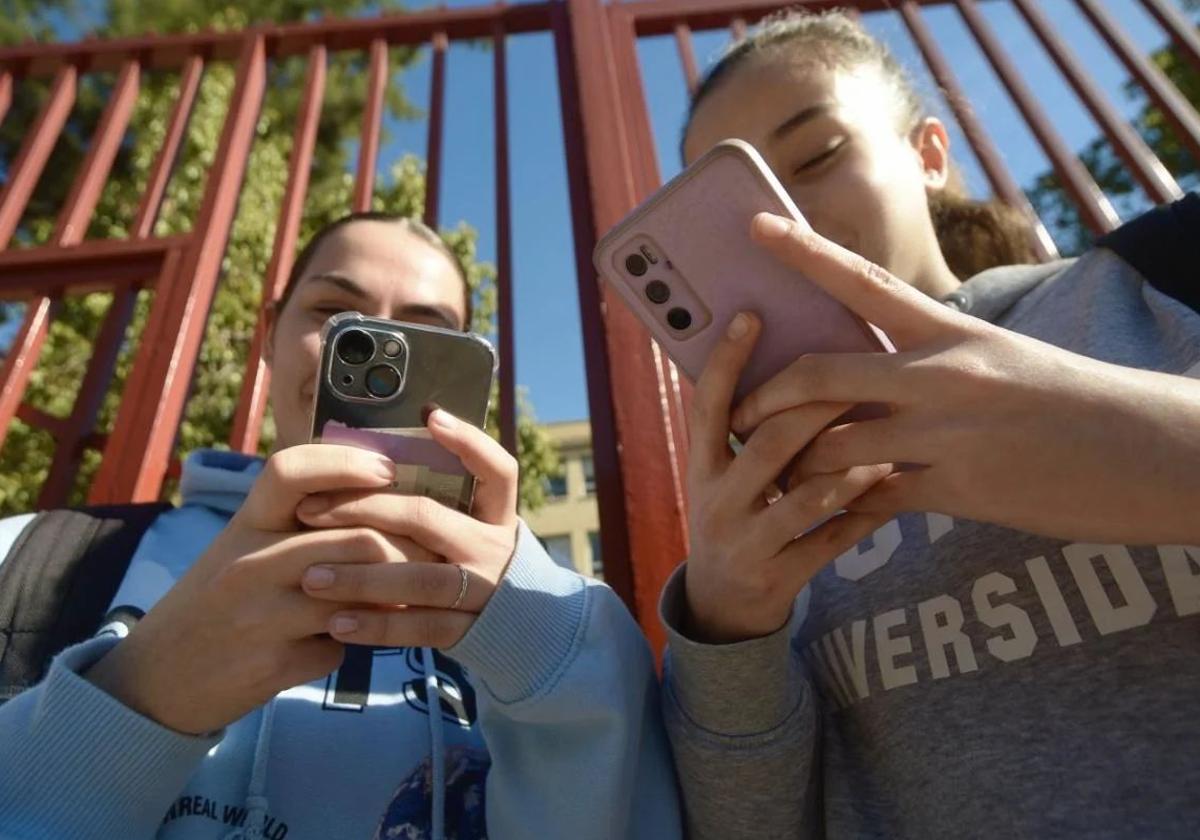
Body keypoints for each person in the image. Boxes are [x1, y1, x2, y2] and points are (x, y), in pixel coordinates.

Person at [660, 10, 1200, 839]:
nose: (776, 220)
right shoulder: (766, 488)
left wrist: (1141, 441)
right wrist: (728, 634)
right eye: (728, 204)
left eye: (815, 157)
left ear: (929, 155)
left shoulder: (1155, 282)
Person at [0, 211, 681, 840]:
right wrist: (137, 694)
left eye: (425, 329)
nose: (376, 351)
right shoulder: (32, 557)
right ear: (269, 334)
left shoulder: (553, 617)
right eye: (332, 310)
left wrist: (547, 649)